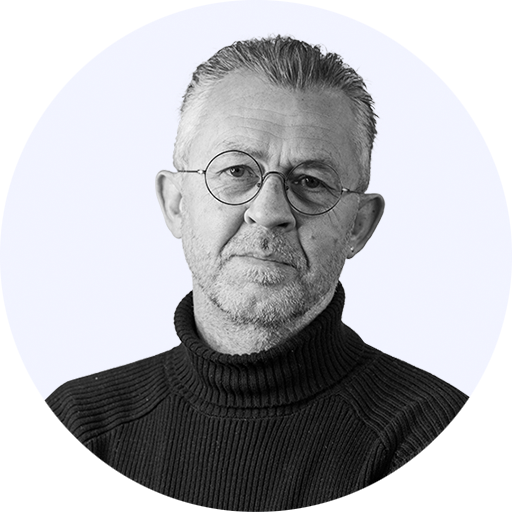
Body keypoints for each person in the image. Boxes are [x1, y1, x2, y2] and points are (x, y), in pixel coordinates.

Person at [0, 36, 502, 511]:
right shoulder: (72, 432)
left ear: (359, 225)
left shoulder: (431, 436)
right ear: (176, 204)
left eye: (311, 181)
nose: (269, 211)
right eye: (237, 171)